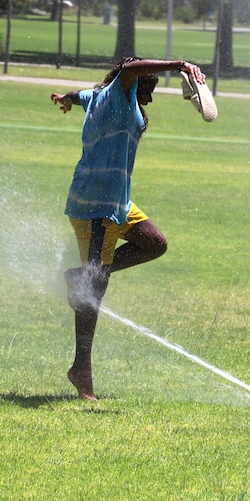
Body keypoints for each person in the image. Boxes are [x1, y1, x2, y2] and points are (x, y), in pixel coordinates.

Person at [51, 57, 207, 400]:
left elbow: (82, 95)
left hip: (117, 203)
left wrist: (66, 98)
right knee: (94, 291)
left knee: (154, 243)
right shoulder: (118, 93)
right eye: (148, 90)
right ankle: (81, 370)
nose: (149, 99)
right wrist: (180, 65)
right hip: (94, 204)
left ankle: (85, 275)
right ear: (135, 83)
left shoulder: (98, 94)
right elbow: (130, 66)